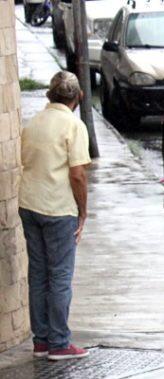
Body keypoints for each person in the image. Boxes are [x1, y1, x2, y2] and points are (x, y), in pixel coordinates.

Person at [19, 71, 91, 361]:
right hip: (59, 208)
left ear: (50, 95)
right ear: (77, 97)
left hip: (29, 204)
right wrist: (83, 212)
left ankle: (41, 341)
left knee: (38, 274)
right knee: (60, 276)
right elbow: (78, 174)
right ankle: (60, 342)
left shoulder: (33, 123)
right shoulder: (73, 125)